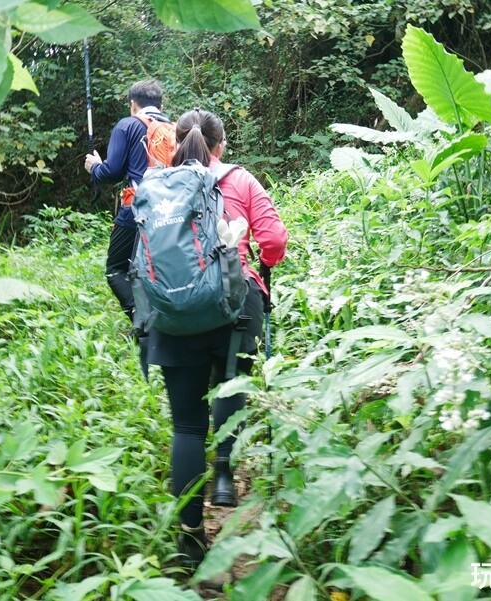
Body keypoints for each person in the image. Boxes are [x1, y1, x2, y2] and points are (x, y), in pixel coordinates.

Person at [146, 109, 288, 569]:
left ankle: (189, 539)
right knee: (230, 381)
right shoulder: (242, 182)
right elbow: (275, 244)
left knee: (186, 426)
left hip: (172, 313)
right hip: (234, 306)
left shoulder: (157, 188)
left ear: (177, 142)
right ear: (219, 146)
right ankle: (225, 476)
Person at [83, 80, 170, 334]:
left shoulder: (128, 125)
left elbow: (112, 172)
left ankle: (142, 320)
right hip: (171, 211)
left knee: (116, 268)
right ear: (161, 105)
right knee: (158, 267)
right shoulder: (176, 129)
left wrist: (95, 167)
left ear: (133, 104)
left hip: (138, 209)